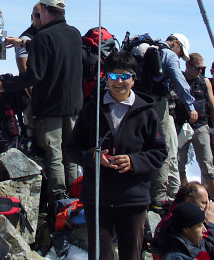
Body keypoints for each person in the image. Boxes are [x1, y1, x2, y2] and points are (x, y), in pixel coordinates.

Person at [67, 51, 167, 260]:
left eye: (125, 76)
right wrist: (93, 158)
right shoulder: (91, 109)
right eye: (113, 76)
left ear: (133, 79)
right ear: (106, 77)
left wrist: (134, 161)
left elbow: (159, 153)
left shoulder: (147, 113)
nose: (119, 81)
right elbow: (72, 148)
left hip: (133, 199)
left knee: (131, 255)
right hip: (97, 199)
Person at [0, 0, 83, 202]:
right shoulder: (74, 34)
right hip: (74, 106)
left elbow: (33, 76)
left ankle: (59, 198)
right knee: (70, 154)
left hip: (51, 107)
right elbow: (54, 48)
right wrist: (23, 43)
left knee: (54, 154)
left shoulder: (43, 37)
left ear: (44, 10)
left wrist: (4, 86)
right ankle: (75, 196)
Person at [150, 33, 197, 210]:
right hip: (158, 103)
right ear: (175, 43)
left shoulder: (149, 48)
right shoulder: (168, 54)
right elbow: (179, 80)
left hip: (138, 101)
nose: (179, 56)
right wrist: (190, 106)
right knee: (163, 146)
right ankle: (159, 197)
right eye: (180, 52)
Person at [174, 52, 214, 198]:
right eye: (197, 68)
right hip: (181, 126)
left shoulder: (204, 82)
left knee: (207, 164)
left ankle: (210, 198)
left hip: (201, 125)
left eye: (202, 69)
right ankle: (185, 196)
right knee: (179, 163)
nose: (199, 72)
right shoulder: (177, 80)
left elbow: (212, 104)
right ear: (187, 65)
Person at [10, 2, 42, 139]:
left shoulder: (46, 36)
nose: (41, 18)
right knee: (35, 135)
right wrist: (35, 101)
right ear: (32, 17)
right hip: (33, 99)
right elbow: (24, 72)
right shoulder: (25, 38)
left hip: (49, 99)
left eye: (44, 15)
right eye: (38, 16)